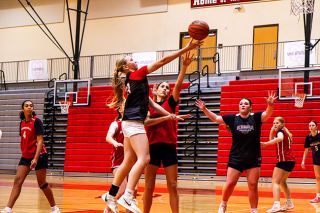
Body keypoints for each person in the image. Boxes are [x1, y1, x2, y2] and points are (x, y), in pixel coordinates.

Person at [102, 40, 202, 213]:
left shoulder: (131, 82)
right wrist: (186, 48)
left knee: (128, 161)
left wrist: (172, 116)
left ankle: (111, 195)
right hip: (135, 123)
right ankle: (128, 195)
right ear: (127, 67)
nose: (134, 60)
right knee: (144, 159)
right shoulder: (137, 74)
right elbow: (162, 61)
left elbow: (154, 106)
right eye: (130, 59)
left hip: (128, 122)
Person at [195, 91, 277, 213]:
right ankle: (223, 204)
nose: (243, 105)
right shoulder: (232, 119)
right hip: (236, 157)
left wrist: (270, 105)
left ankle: (254, 210)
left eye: (246, 103)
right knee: (230, 183)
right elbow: (216, 118)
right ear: (238, 107)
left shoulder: (255, 117)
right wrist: (204, 109)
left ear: (250, 107)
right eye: (241, 104)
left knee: (253, 185)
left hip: (253, 157)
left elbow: (267, 115)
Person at [143, 51, 193, 213]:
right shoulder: (148, 105)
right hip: (152, 147)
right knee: (149, 185)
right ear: (155, 90)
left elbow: (178, 85)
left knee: (172, 184)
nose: (166, 89)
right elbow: (147, 122)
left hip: (169, 147)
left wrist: (184, 67)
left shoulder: (170, 104)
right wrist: (167, 118)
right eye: (163, 87)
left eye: (167, 87)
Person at [1, 100, 60, 213]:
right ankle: (8, 209)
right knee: (17, 181)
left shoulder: (37, 121)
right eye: (27, 106)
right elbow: (24, 139)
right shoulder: (22, 123)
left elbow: (40, 140)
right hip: (26, 157)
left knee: (42, 184)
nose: (29, 107)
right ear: (23, 109)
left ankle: (54, 208)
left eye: (31, 106)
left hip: (40, 156)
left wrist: (36, 159)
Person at [104, 103, 135, 213]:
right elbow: (108, 137)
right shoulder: (116, 124)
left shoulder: (133, 124)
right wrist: (114, 142)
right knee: (122, 189)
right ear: (120, 109)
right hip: (118, 162)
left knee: (131, 192)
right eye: (124, 105)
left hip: (132, 163)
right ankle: (107, 210)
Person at [261, 117, 295, 213]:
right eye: (273, 123)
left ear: (282, 124)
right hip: (290, 161)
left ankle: (276, 205)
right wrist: (271, 131)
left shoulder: (281, 132)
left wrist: (266, 143)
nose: (275, 124)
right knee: (282, 182)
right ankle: (289, 203)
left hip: (284, 160)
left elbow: (279, 138)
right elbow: (273, 140)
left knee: (275, 182)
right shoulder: (285, 132)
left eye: (277, 123)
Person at [301, 120, 320, 203]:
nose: (311, 127)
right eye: (309, 125)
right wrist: (303, 161)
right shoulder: (308, 137)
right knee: (318, 178)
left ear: (316, 126)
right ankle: (318, 196)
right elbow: (306, 150)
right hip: (316, 159)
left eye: (313, 125)